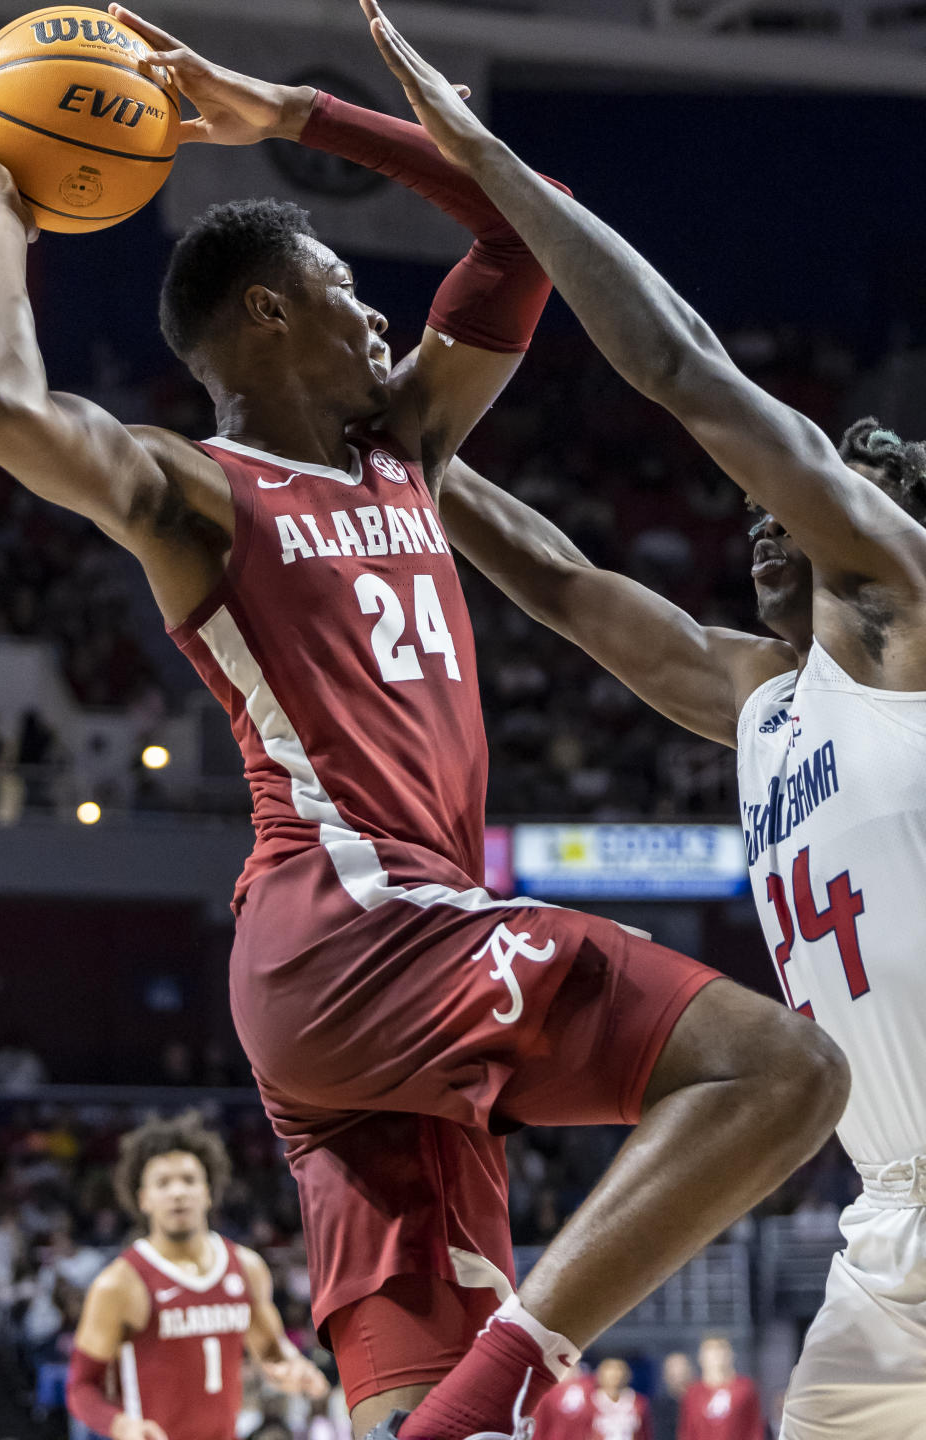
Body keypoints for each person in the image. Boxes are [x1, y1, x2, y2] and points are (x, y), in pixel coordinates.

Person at [0, 11, 848, 1439]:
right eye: (340, 287)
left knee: (421, 1411)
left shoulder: (407, 450)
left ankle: (471, 1401)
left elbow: (526, 232)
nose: (382, 317)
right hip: (360, 928)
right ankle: (522, 1374)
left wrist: (297, 115)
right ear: (267, 315)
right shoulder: (202, 492)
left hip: (373, 993)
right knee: (784, 1068)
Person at [361, 6, 926, 1437]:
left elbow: (684, 373)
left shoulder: (903, 613)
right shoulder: (759, 695)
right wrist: (388, 444)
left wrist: (500, 175)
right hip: (886, 1225)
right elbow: (563, 584)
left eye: (792, 511)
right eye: (753, 518)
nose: (762, 529)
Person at [66, 1112, 328, 1440]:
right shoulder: (120, 1283)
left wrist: (292, 1367)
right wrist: (121, 1425)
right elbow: (80, 1388)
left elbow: (271, 1350)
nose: (178, 1192)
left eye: (189, 1180)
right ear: (142, 1198)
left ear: (208, 1191)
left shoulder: (247, 1267)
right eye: (163, 1183)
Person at [678, 1340, 763, 1440]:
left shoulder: (745, 1388)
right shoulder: (693, 1393)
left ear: (731, 1355)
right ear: (701, 1358)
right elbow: (687, 1431)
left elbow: (755, 1428)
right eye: (711, 1351)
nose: (716, 1357)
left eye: (720, 1350)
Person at [652, 1355, 694, 1440]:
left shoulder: (701, 1404)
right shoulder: (657, 1408)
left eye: (683, 1373)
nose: (680, 1378)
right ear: (666, 1376)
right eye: (674, 1374)